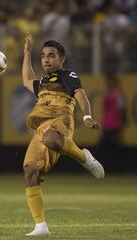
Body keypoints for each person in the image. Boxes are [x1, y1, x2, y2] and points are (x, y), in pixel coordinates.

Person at [21, 33, 104, 236]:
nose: (46, 59)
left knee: (51, 138)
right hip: (42, 124)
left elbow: (81, 96)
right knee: (30, 172)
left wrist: (86, 117)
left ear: (61, 59)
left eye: (51, 55)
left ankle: (83, 157)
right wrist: (27, 51)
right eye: (43, 56)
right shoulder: (41, 83)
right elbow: (26, 79)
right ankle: (41, 226)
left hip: (61, 118)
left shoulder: (68, 75)